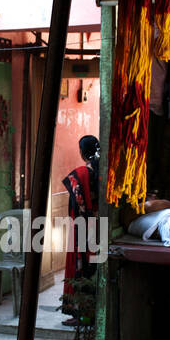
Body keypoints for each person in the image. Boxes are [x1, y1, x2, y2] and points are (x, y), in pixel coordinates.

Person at [61, 135, 100, 318]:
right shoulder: (103, 172)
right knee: (96, 267)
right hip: (100, 226)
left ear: (82, 152)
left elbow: (77, 204)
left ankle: (81, 314)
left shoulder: (80, 174)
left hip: (82, 228)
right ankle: (93, 313)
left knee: (80, 267)